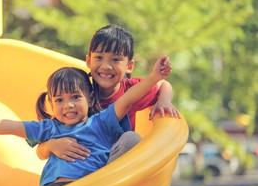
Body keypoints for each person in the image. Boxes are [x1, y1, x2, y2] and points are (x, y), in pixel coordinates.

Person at [0, 55, 172, 186]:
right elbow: (10, 126)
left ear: (90, 99)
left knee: (132, 139)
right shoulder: (49, 128)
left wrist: (154, 77)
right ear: (52, 103)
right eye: (59, 100)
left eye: (75, 97)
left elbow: (129, 97)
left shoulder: (101, 122)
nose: (68, 106)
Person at [36, 24, 181, 163]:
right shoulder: (78, 94)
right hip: (80, 167)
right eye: (99, 57)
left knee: (131, 140)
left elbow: (163, 84)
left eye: (116, 59)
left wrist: (164, 101)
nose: (106, 66)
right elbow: (40, 151)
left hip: (111, 170)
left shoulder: (132, 90)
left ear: (129, 66)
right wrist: (51, 146)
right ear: (88, 60)